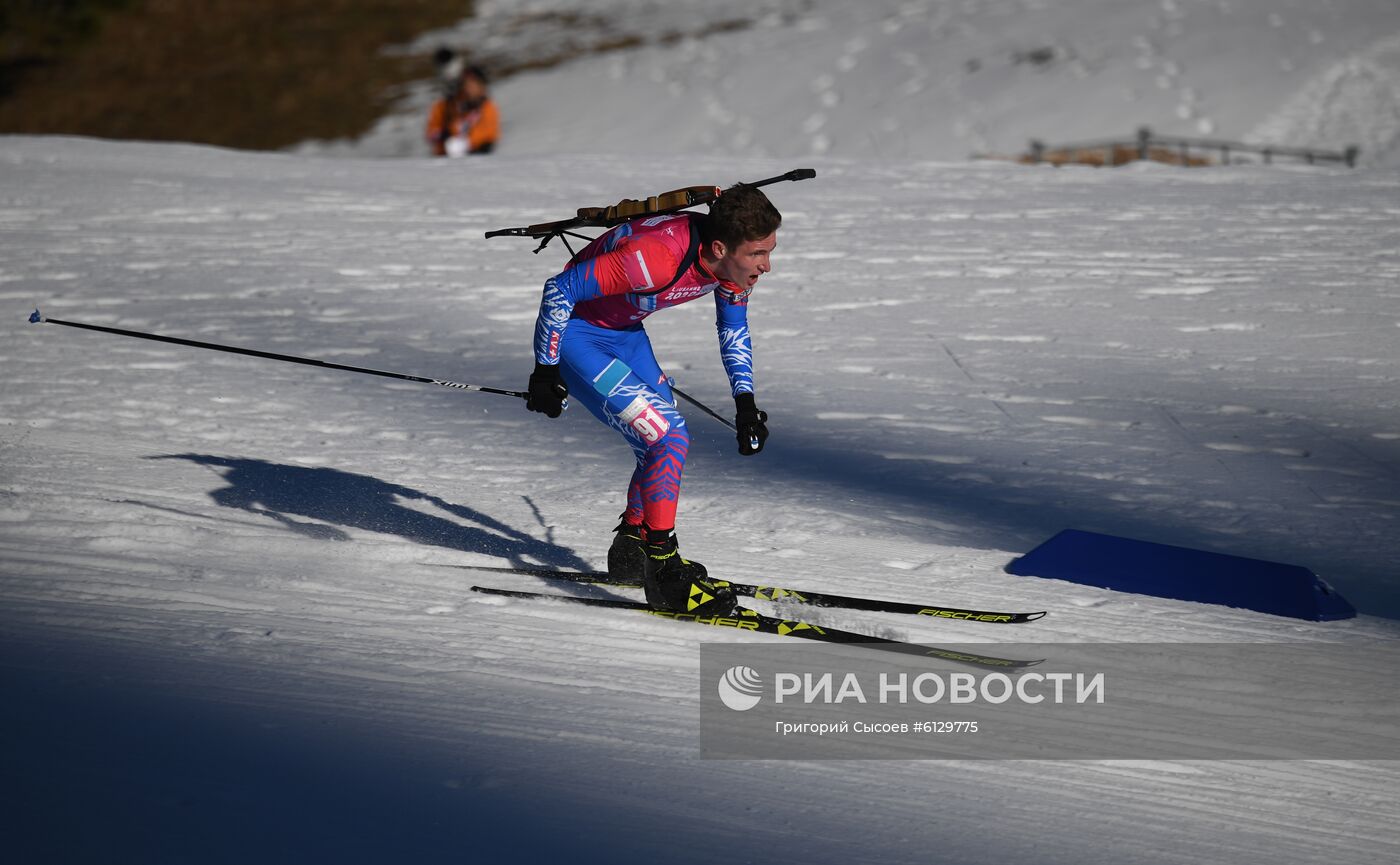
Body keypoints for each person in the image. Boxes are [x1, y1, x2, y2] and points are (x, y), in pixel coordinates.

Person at [524, 184, 781, 616]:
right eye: (758, 254)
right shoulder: (653, 259)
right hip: (577, 337)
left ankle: (633, 544)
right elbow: (560, 289)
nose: (767, 266)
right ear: (719, 247)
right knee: (668, 437)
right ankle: (663, 567)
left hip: (625, 335)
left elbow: (733, 328)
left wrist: (745, 401)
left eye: (770, 252)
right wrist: (545, 370)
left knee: (664, 442)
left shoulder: (729, 267)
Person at [425, 63, 499, 157]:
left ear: (481, 86)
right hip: (444, 159)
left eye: (473, 84)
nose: (468, 89)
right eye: (466, 84)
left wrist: (465, 143)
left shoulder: (488, 108)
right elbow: (431, 133)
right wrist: (442, 135)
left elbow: (489, 134)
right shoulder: (448, 105)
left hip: (477, 158)